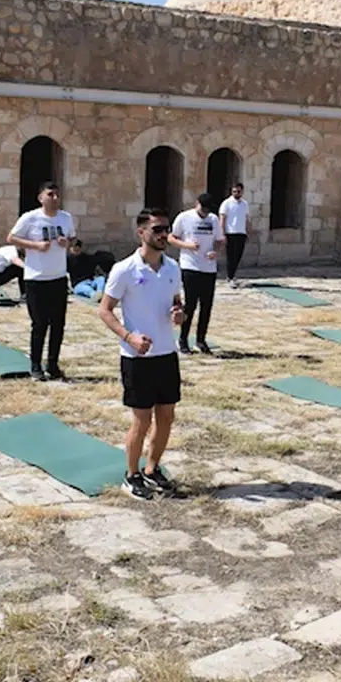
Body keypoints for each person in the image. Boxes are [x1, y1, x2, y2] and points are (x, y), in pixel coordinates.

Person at [99, 209, 185, 500]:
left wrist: (179, 313)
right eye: (157, 229)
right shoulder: (125, 269)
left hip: (166, 353)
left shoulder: (173, 268)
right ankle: (131, 475)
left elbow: (176, 301)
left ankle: (152, 469)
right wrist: (129, 337)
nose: (163, 235)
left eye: (166, 229)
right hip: (137, 358)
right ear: (141, 233)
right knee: (142, 420)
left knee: (167, 416)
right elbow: (105, 310)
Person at [7, 181, 76, 381]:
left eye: (57, 195)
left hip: (58, 277)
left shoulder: (65, 218)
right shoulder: (30, 218)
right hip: (36, 278)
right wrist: (35, 245)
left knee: (58, 324)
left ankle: (53, 364)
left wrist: (67, 243)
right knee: (39, 324)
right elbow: (11, 238)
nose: (55, 198)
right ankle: (35, 365)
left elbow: (73, 239)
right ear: (41, 198)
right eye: (50, 194)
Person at [170, 193, 225, 354]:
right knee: (190, 305)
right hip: (190, 266)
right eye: (203, 209)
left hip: (209, 267)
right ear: (197, 204)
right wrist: (187, 245)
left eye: (208, 210)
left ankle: (201, 340)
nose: (205, 213)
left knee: (206, 305)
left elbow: (220, 240)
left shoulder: (213, 219)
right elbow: (171, 238)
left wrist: (215, 251)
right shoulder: (184, 217)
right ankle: (183, 339)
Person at [218, 183, 250, 286]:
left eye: (238, 191)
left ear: (242, 192)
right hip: (230, 233)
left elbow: (246, 218)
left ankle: (232, 275)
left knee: (238, 256)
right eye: (234, 191)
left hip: (241, 233)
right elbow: (222, 219)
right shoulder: (226, 203)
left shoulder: (245, 204)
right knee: (231, 256)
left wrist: (248, 231)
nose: (236, 193)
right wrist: (222, 233)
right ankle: (230, 277)